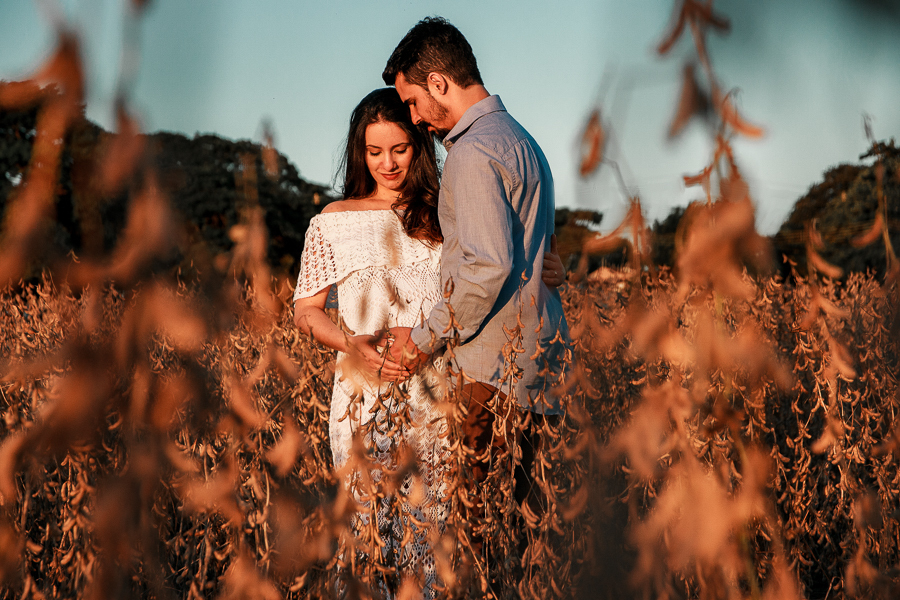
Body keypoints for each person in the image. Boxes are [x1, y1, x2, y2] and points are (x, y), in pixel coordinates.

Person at [292, 88, 565, 597]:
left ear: (420, 147)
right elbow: (305, 312)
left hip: (437, 398)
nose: (388, 163)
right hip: (361, 402)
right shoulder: (332, 221)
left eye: (400, 148)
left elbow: (494, 274)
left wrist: (556, 272)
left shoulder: (447, 214)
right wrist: (350, 343)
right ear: (359, 153)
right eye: (374, 152)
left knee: (433, 543)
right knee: (369, 542)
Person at [380, 16, 572, 563]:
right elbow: (545, 255)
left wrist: (423, 339)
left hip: (493, 372)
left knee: (478, 538)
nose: (415, 118)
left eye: (415, 101)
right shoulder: (523, 142)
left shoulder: (471, 151)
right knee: (530, 538)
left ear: (440, 82)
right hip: (544, 365)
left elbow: (488, 266)